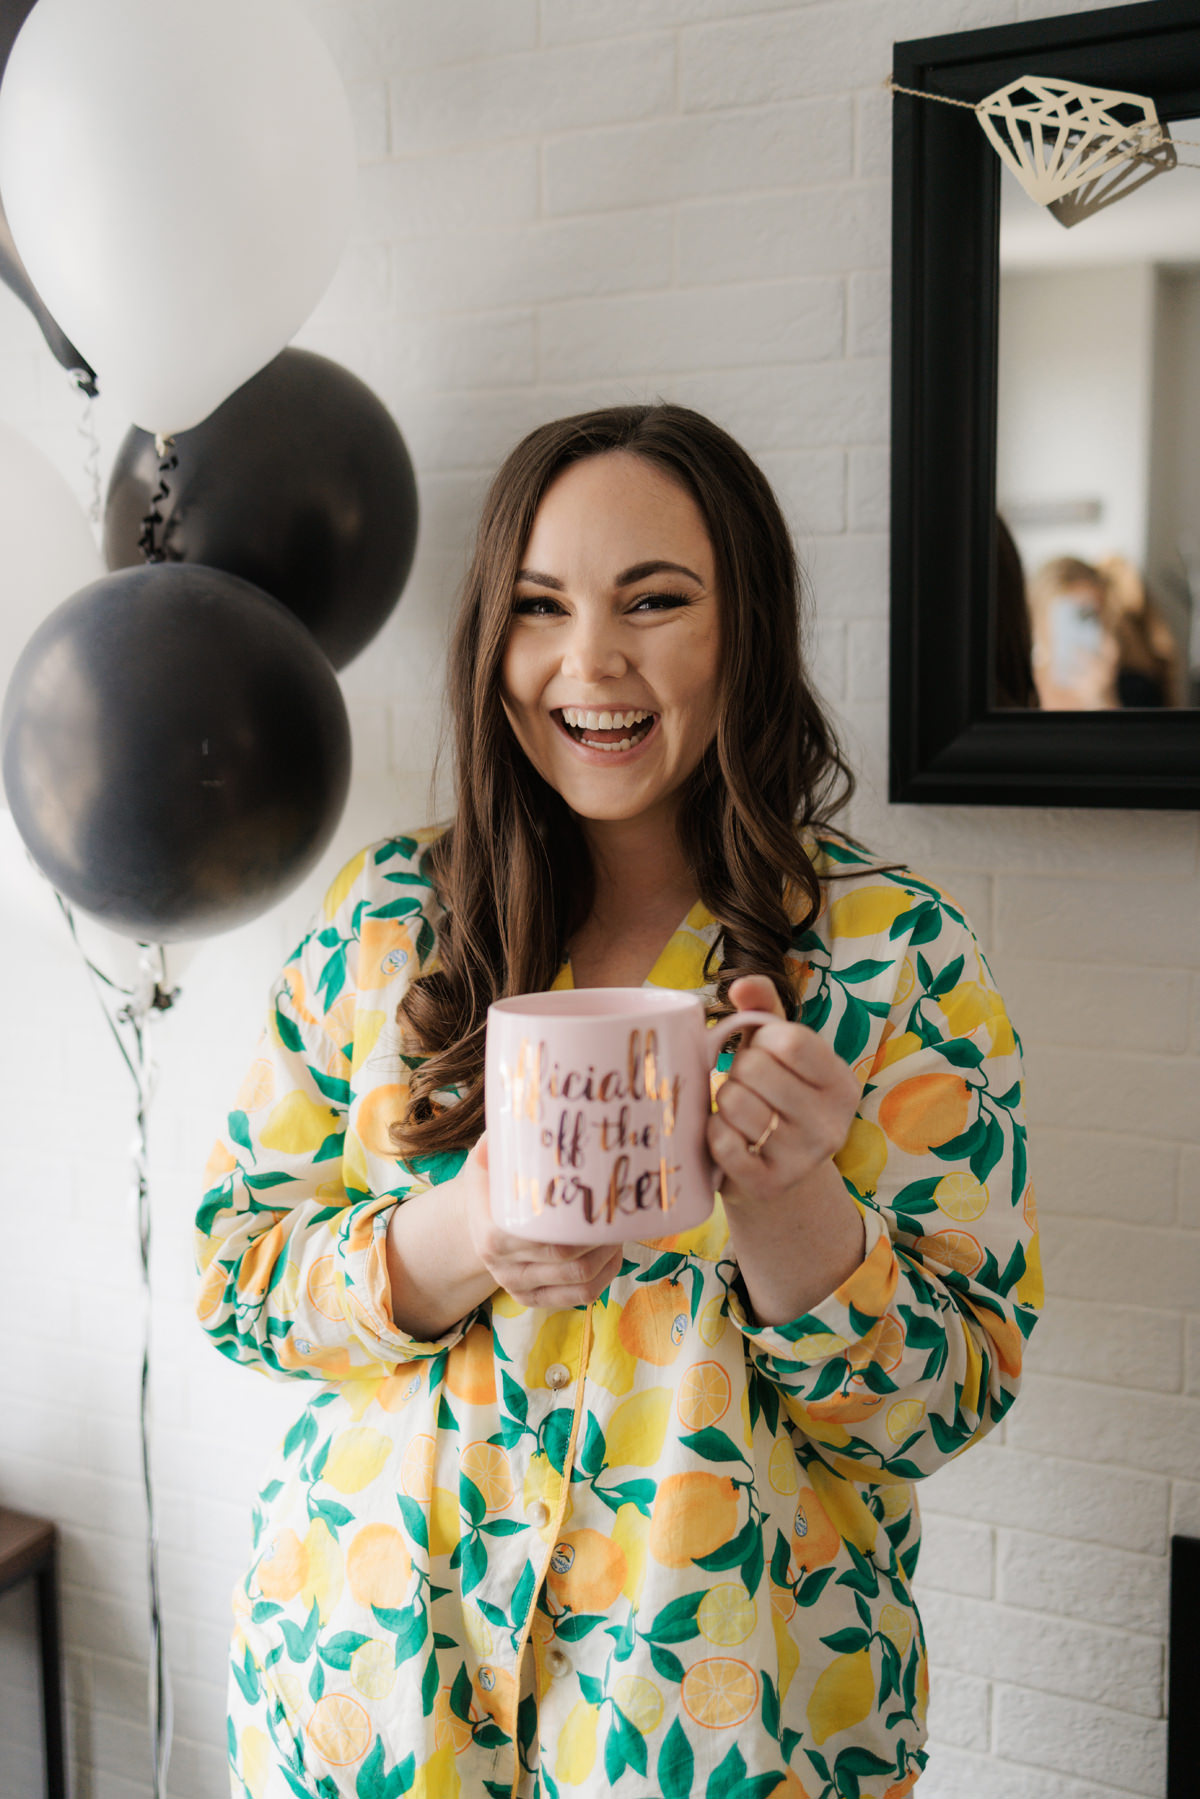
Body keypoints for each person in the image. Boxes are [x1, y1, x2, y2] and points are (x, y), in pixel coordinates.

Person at [197, 404, 1039, 1799]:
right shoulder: (386, 921)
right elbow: (238, 1274)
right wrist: (462, 1235)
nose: (590, 663)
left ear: (747, 627)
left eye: (656, 601)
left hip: (719, 1724)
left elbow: (942, 1405)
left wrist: (789, 1198)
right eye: (540, 608)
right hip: (366, 1700)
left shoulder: (899, 962)